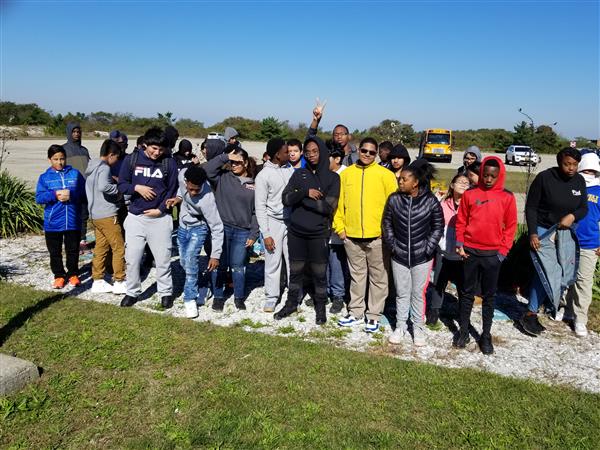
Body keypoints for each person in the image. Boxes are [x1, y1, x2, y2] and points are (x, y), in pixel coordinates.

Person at [333, 137, 398, 333]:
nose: (367, 155)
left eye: (371, 152)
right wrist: (340, 228)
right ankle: (355, 312)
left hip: (377, 238)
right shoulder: (346, 174)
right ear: (358, 151)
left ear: (376, 153)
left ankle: (374, 315)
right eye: (364, 151)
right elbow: (338, 203)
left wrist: (386, 232)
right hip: (351, 237)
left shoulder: (385, 175)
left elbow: (393, 206)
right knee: (357, 277)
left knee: (378, 278)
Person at [521, 148, 588, 335]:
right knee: (545, 269)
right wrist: (533, 233)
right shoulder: (545, 178)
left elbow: (583, 208)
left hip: (566, 232)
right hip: (543, 230)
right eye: (567, 164)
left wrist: (573, 216)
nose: (571, 168)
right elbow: (531, 207)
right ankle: (530, 313)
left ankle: (546, 306)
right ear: (560, 163)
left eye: (575, 164)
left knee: (563, 272)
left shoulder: (579, 181)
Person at [455, 156, 517, 355]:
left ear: (499, 176)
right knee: (466, 293)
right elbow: (461, 220)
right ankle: (463, 331)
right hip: (470, 252)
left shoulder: (507, 197)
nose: (488, 179)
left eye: (493, 176)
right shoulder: (470, 194)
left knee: (489, 296)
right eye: (485, 175)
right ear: (481, 174)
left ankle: (486, 335)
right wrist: (460, 244)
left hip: (492, 255)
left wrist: (502, 252)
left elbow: (511, 226)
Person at [275, 136, 340, 324]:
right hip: (296, 232)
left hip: (318, 233)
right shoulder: (299, 174)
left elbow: (327, 207)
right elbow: (285, 199)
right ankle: (291, 304)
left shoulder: (332, 178)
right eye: (308, 151)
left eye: (315, 151)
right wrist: (305, 193)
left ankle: (321, 308)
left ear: (322, 152)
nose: (311, 155)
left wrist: (300, 199)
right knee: (295, 271)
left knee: (319, 273)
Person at [383, 160, 444, 346]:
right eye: (399, 179)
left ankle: (417, 327)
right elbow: (386, 224)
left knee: (418, 293)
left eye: (404, 179)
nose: (400, 182)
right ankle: (400, 326)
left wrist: (428, 247)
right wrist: (393, 245)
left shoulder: (430, 200)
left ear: (415, 182)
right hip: (399, 255)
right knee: (402, 293)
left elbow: (438, 225)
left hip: (422, 257)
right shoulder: (394, 199)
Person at [117, 127, 178, 309]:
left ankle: (165, 292)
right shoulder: (132, 160)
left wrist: (160, 210)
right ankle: (132, 292)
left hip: (160, 219)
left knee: (163, 260)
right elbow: (121, 184)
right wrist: (137, 188)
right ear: (145, 144)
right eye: (153, 148)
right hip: (136, 218)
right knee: (133, 258)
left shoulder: (169, 163)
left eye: (160, 149)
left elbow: (172, 190)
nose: (157, 153)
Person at [166, 165, 224, 318]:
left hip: (199, 228)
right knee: (184, 262)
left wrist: (215, 255)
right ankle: (203, 285)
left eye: (196, 190)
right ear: (186, 181)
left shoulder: (207, 199)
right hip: (183, 225)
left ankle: (190, 299)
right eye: (190, 189)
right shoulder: (182, 175)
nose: (192, 193)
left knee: (191, 261)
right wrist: (179, 198)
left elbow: (217, 227)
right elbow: (181, 189)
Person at [205, 147, 259, 311]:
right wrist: (225, 156)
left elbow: (257, 211)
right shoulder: (222, 177)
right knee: (219, 265)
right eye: (232, 162)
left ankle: (239, 297)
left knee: (238, 266)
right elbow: (207, 169)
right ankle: (218, 297)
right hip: (222, 229)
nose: (233, 164)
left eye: (237, 162)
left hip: (243, 231)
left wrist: (254, 233)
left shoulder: (254, 184)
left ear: (245, 162)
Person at [35, 144, 86, 289]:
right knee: (55, 252)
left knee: (73, 250)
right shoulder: (44, 177)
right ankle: (58, 275)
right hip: (53, 222)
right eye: (55, 159)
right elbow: (39, 198)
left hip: (72, 220)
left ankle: (73, 274)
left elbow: (84, 194)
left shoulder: (75, 174)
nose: (59, 162)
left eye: (62, 159)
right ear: (49, 160)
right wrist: (54, 195)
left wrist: (72, 195)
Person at [255, 138, 294, 312]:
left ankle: (294, 294)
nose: (290, 154)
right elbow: (260, 207)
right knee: (273, 261)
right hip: (273, 222)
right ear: (277, 155)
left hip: (291, 221)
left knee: (293, 259)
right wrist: (266, 233)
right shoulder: (263, 175)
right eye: (286, 152)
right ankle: (271, 297)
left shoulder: (290, 170)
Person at [85, 139, 127, 295]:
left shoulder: (92, 167)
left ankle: (97, 280)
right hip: (108, 214)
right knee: (119, 247)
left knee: (101, 247)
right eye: (116, 158)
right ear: (111, 155)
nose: (116, 162)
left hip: (95, 215)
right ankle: (120, 281)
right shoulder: (104, 168)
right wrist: (118, 189)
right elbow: (104, 186)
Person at [564, 152, 600, 337]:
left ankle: (580, 319)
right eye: (585, 170)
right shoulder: (572, 186)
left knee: (584, 282)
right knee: (568, 277)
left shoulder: (599, 191)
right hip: (569, 239)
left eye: (592, 171)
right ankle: (567, 310)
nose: (589, 174)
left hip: (590, 243)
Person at [427, 174, 470, 326]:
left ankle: (463, 313)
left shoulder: (470, 204)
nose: (464, 185)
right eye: (460, 182)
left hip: (462, 252)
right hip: (443, 250)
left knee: (463, 284)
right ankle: (434, 310)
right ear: (452, 185)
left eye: (467, 183)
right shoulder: (443, 202)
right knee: (439, 281)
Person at [327, 148, 349, 313]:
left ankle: (338, 296)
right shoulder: (323, 173)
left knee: (337, 263)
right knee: (325, 261)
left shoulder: (346, 175)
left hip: (339, 227)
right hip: (324, 226)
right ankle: (325, 292)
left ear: (337, 159)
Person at [62, 122, 91, 250]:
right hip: (71, 188)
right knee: (71, 214)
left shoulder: (84, 150)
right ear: (69, 132)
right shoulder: (63, 149)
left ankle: (82, 240)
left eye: (78, 132)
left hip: (85, 188)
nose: (76, 134)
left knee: (84, 214)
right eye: (73, 132)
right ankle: (71, 240)